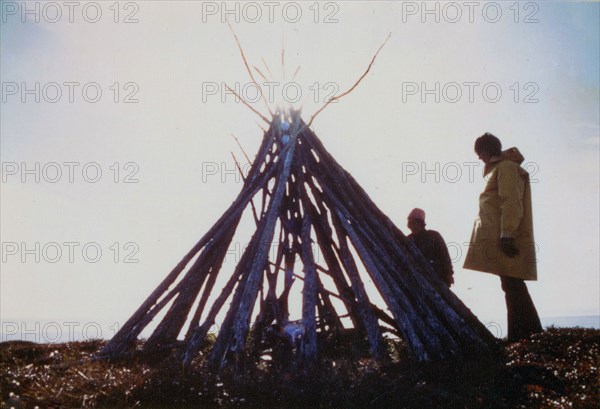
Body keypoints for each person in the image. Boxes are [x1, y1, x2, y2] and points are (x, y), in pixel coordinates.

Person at [464, 132, 543, 342]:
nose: (478, 157)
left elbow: (511, 201)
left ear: (486, 150)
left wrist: (507, 234)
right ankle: (528, 333)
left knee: (512, 285)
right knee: (511, 285)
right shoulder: (502, 168)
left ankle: (525, 335)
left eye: (479, 153)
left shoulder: (506, 167)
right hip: (502, 237)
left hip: (505, 237)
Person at [407, 208, 455, 287]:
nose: (411, 225)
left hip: (437, 277)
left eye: (413, 222)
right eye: (410, 223)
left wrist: (449, 274)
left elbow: (445, 256)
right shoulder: (408, 240)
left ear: (420, 223)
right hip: (419, 280)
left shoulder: (433, 236)